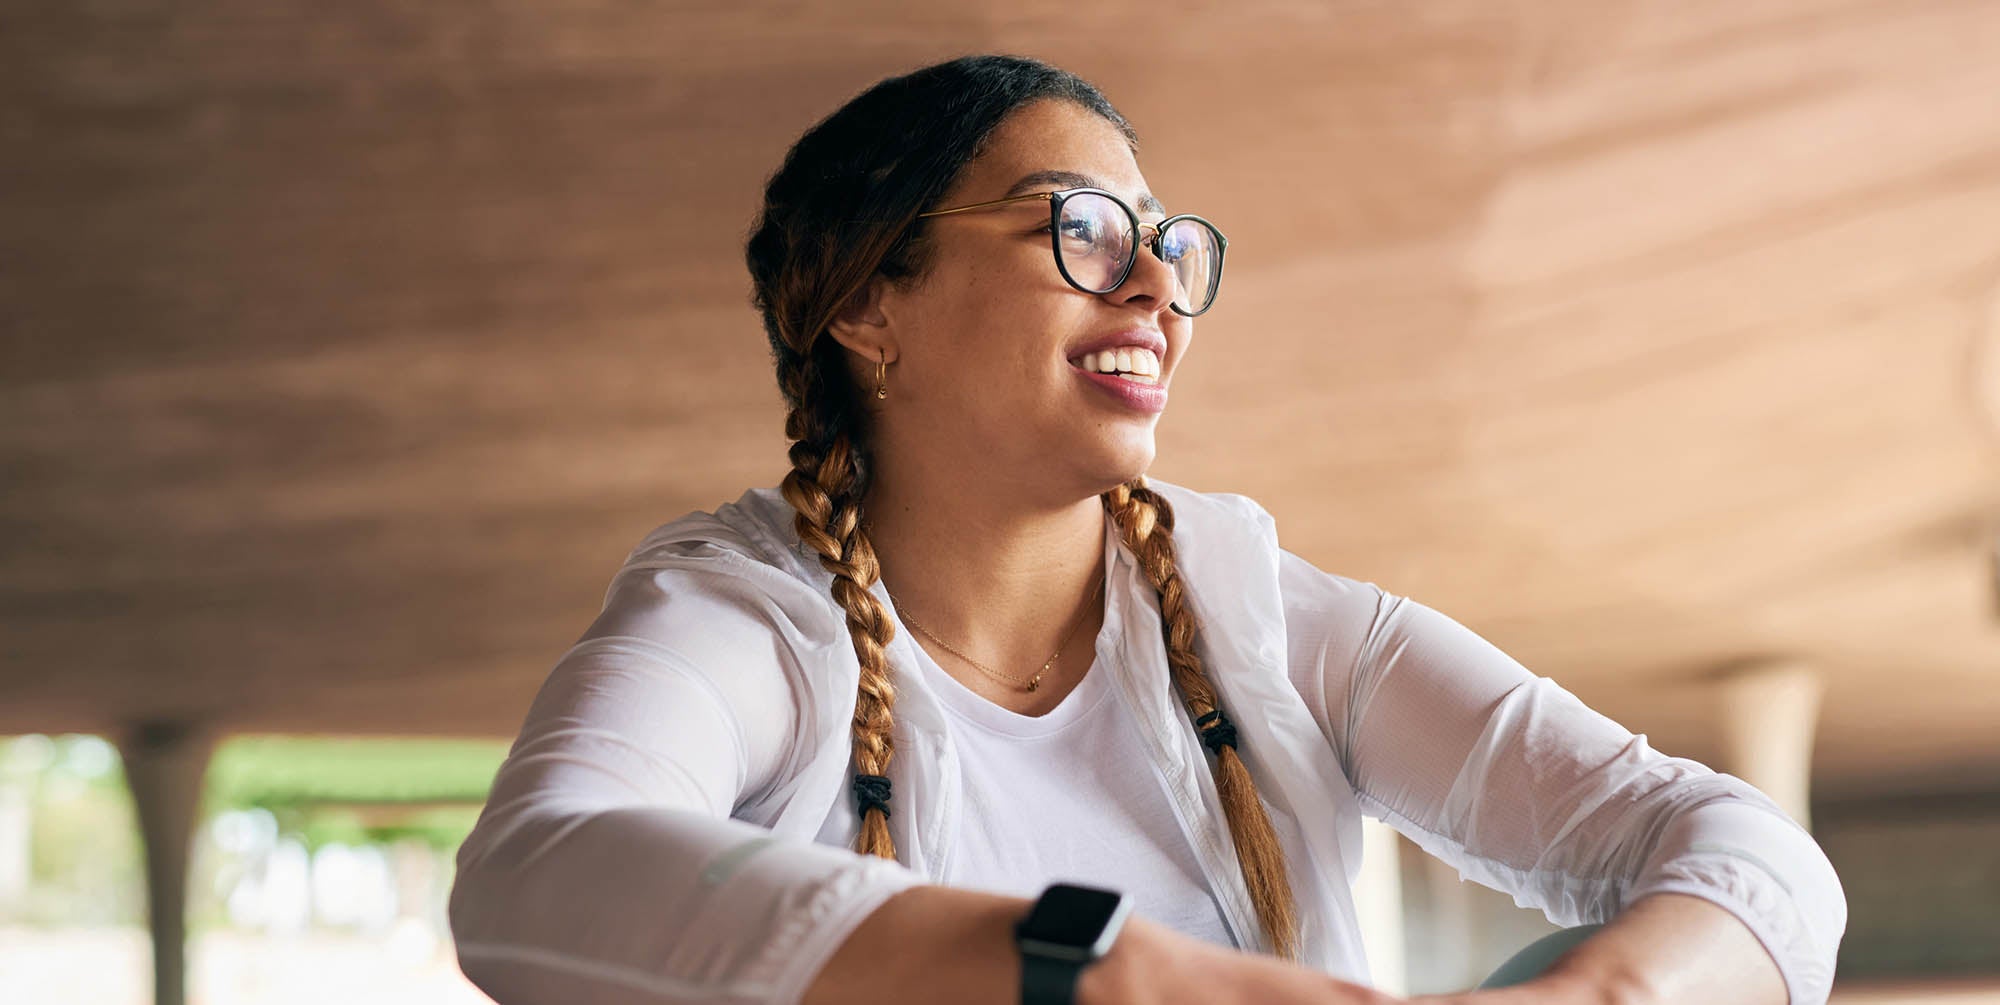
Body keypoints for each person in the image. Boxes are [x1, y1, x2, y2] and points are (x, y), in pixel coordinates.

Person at [446, 54, 1846, 1005]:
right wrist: (1109, 971)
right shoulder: (750, 619)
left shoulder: (1269, 621)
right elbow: (536, 868)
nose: (1157, 297)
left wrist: (1606, 997)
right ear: (872, 306)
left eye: (1170, 251)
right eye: (1083, 233)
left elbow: (1753, 853)